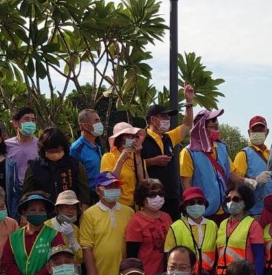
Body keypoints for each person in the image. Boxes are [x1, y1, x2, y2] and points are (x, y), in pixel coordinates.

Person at [1, 191, 65, 275]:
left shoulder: (55, 235)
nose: (37, 213)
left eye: (41, 210)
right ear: (25, 212)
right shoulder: (13, 237)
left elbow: (58, 262)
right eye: (32, 210)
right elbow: (8, 263)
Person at [140, 86, 195, 219]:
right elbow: (131, 164)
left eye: (168, 117)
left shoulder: (169, 137)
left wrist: (189, 102)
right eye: (164, 116)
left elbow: (187, 125)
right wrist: (151, 161)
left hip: (172, 196)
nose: (167, 120)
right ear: (153, 119)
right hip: (151, 198)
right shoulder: (140, 138)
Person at [80, 172, 134, 275]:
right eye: (108, 187)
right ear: (98, 190)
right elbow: (86, 247)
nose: (113, 189)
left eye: (115, 186)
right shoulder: (89, 214)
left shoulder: (129, 212)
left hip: (125, 274)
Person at [179, 107, 231, 219]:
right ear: (201, 127)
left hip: (225, 209)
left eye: (216, 124)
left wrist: (248, 181)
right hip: (202, 211)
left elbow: (231, 173)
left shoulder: (222, 148)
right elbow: (186, 182)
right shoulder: (188, 152)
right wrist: (193, 208)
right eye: (212, 126)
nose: (216, 126)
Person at [21, 127, 91, 207]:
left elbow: (84, 195)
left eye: (57, 150)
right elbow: (26, 196)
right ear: (44, 149)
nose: (54, 153)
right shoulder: (34, 167)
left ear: (64, 148)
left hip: (69, 211)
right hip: (43, 213)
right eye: (51, 151)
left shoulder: (75, 165)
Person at [214, 182, 265, 275]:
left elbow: (259, 255)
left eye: (236, 199)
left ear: (245, 202)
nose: (231, 202)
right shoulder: (223, 224)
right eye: (228, 199)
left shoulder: (253, 225)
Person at [164, 187, 218, 275]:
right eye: (192, 202)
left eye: (200, 202)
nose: (196, 205)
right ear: (185, 206)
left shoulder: (212, 225)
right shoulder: (175, 227)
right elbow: (168, 255)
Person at [232, 115, 272, 216]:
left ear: (267, 132)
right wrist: (255, 180)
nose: (258, 133)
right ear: (249, 132)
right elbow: (236, 184)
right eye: (254, 130)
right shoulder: (243, 155)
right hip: (251, 213)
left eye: (261, 130)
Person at [126, 178, 172, 275]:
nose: (158, 198)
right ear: (142, 198)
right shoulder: (136, 222)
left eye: (160, 194)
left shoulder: (166, 217)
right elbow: (132, 256)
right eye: (152, 195)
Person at [99, 122, 147, 208]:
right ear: (119, 138)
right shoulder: (109, 157)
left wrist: (138, 155)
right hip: (117, 205)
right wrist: (121, 160)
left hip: (136, 206)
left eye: (134, 136)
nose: (132, 138)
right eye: (128, 136)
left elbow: (143, 182)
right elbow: (108, 182)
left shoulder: (137, 157)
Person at [70, 108, 106, 197]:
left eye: (100, 120)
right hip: (87, 198)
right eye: (96, 121)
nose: (100, 124)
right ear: (85, 126)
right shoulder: (76, 148)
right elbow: (73, 178)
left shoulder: (97, 147)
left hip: (101, 195)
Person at [4, 106, 40, 188]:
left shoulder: (40, 144)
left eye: (33, 120)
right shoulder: (6, 145)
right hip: (12, 191)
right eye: (26, 119)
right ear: (15, 123)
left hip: (35, 190)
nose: (30, 123)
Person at [47, 190, 83, 268]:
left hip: (72, 271)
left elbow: (80, 258)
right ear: (58, 209)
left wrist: (72, 239)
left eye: (73, 208)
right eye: (67, 207)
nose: (70, 211)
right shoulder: (47, 226)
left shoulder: (76, 229)